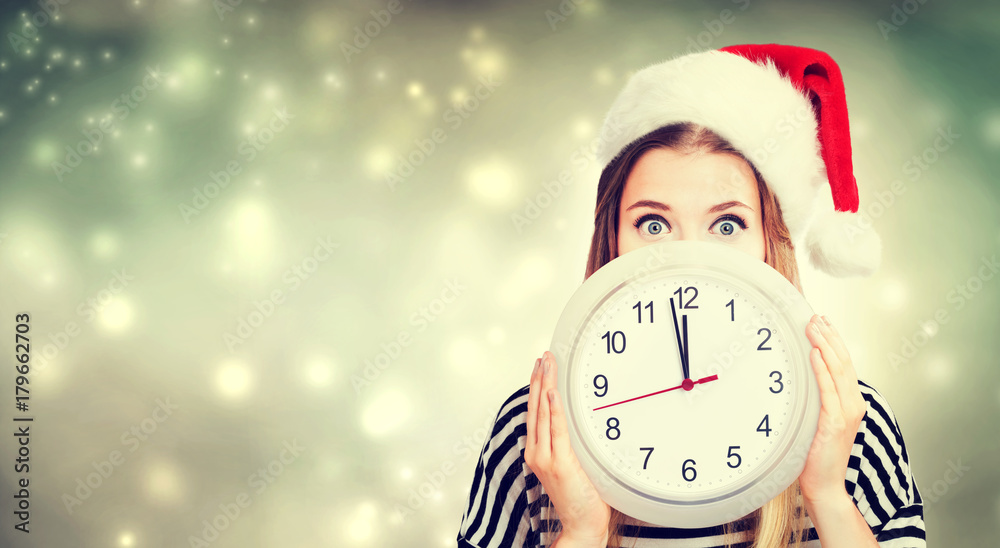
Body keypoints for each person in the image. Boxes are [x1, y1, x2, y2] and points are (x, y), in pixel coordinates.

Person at [456, 44, 925, 547]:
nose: (689, 259)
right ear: (611, 240)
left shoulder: (851, 420)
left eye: (726, 224)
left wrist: (829, 494)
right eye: (653, 223)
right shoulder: (534, 432)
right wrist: (582, 529)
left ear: (770, 242)